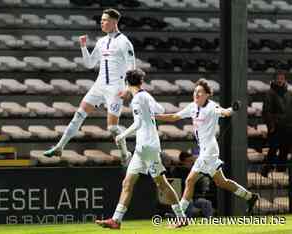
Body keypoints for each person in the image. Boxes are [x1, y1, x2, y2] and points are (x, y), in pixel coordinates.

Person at [95, 69, 187, 229]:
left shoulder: (137, 99)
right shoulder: (146, 96)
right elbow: (161, 110)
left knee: (162, 184)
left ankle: (181, 217)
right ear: (141, 82)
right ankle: (116, 220)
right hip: (142, 147)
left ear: (127, 83)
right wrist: (148, 115)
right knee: (127, 182)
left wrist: (121, 135)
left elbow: (137, 124)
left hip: (147, 147)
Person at [156, 78, 259, 219]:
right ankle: (250, 197)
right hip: (205, 150)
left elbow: (225, 112)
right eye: (195, 91)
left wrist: (232, 109)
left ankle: (179, 214)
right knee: (221, 182)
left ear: (207, 94)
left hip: (209, 151)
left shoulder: (211, 107)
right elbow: (174, 116)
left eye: (199, 92)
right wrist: (155, 116)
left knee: (189, 180)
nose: (196, 94)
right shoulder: (192, 107)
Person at [43, 8, 135, 162]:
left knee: (112, 128)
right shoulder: (101, 41)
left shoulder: (124, 42)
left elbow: (131, 67)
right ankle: (59, 147)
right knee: (78, 115)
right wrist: (83, 47)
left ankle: (125, 154)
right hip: (99, 85)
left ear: (114, 22)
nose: (102, 23)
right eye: (101, 21)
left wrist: (128, 88)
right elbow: (89, 64)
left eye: (105, 20)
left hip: (115, 88)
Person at [261, 72, 292, 177]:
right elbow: (266, 112)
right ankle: (266, 172)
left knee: (285, 149)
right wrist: (271, 126)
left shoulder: (288, 94)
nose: (280, 80)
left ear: (284, 80)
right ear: (274, 80)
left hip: (288, 127)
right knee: (273, 149)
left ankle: (281, 173)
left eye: (282, 78)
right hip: (276, 127)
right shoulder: (270, 93)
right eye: (278, 78)